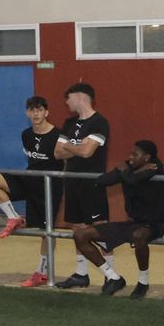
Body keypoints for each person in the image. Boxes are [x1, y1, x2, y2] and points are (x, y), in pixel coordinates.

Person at [0, 95, 64, 287]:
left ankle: (41, 272)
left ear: (47, 112)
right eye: (32, 110)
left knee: (46, 232)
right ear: (27, 113)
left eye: (40, 110)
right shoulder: (26, 134)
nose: (36, 114)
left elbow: (65, 161)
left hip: (49, 187)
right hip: (29, 179)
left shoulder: (58, 135)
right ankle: (13, 216)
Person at [70, 140, 164, 298]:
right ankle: (113, 277)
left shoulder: (155, 167)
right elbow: (102, 180)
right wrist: (125, 169)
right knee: (80, 235)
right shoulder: (130, 166)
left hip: (153, 224)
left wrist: (126, 172)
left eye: (134, 154)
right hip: (132, 222)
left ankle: (143, 282)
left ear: (146, 158)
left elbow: (132, 181)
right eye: (131, 153)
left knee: (139, 235)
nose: (130, 157)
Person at [54, 83, 112, 289]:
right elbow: (57, 152)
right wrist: (78, 146)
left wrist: (70, 145)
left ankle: (110, 275)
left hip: (92, 184)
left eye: (68, 98)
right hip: (72, 182)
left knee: (100, 230)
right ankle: (81, 274)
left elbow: (88, 152)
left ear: (79, 97)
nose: (66, 103)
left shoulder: (99, 122)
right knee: (77, 228)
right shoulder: (69, 123)